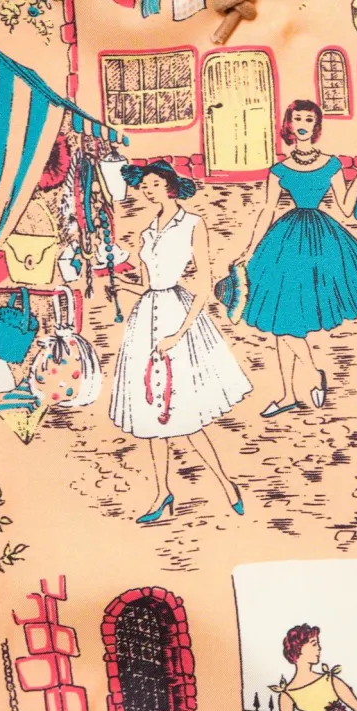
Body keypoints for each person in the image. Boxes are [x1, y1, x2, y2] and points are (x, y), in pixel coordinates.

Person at [110, 160, 251, 522]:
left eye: (155, 184)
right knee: (151, 416)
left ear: (170, 186)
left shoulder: (192, 224)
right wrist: (118, 282)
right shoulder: (146, 232)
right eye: (145, 186)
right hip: (146, 319)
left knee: (186, 416)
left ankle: (227, 484)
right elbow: (147, 284)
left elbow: (203, 286)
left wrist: (178, 334)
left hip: (177, 315)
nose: (148, 190)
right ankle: (162, 493)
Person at [234, 99, 357, 417]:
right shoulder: (279, 170)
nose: (302, 124)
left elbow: (346, 209)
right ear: (288, 125)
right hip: (285, 241)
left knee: (287, 322)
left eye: (308, 119)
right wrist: (250, 249)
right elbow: (267, 210)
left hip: (321, 243)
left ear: (316, 126)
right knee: (282, 319)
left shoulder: (331, 164)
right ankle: (290, 392)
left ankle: (307, 379)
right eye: (297, 118)